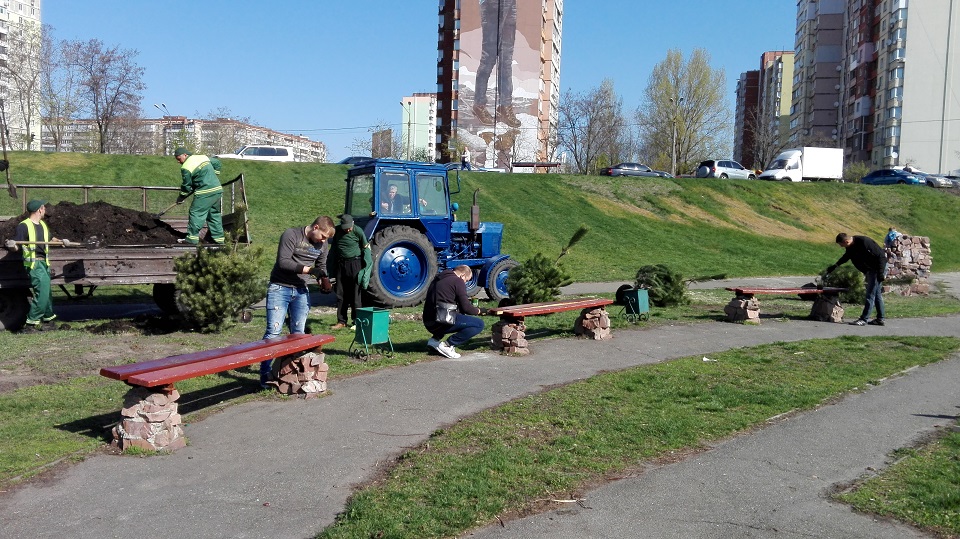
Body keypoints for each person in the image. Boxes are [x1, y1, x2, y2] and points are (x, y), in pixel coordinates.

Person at [259, 215, 335, 387]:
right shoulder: (291, 235)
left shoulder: (323, 244)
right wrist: (310, 270)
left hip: (301, 290)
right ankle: (265, 373)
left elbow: (321, 266)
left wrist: (323, 280)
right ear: (316, 227)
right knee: (273, 332)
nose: (324, 241)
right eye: (323, 236)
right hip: (280, 287)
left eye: (327, 239)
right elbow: (283, 262)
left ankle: (291, 372)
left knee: (298, 334)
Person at [3, 200, 71, 333]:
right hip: (34, 264)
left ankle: (48, 321)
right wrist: (12, 245)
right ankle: (30, 324)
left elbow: (50, 239)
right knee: (42, 293)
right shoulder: (24, 226)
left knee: (47, 293)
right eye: (44, 207)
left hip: (44, 263)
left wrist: (62, 241)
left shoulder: (43, 225)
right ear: (40, 210)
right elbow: (17, 245)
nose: (45, 210)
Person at [472, 0, 521, 128]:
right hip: (492, 3)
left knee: (506, 60)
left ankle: (505, 106)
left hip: (510, 3)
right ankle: (479, 104)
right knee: (489, 57)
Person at [422, 265, 485, 358]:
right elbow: (467, 308)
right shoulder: (458, 281)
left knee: (457, 314)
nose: (465, 282)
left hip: (429, 321)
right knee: (479, 324)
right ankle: (447, 345)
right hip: (441, 321)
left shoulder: (438, 278)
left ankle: (434, 341)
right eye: (467, 280)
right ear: (463, 275)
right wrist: (480, 311)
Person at [826, 232, 887, 326]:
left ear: (846, 241)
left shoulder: (864, 242)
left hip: (876, 269)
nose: (841, 247)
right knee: (877, 295)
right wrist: (835, 265)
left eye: (841, 244)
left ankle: (863, 319)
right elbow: (846, 256)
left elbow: (881, 256)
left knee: (869, 295)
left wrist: (880, 273)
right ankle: (880, 319)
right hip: (870, 270)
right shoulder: (850, 247)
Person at [174, 147, 224, 245]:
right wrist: (214, 175)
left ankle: (192, 239)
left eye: (179, 159)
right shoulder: (202, 157)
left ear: (185, 155)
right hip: (217, 190)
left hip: (205, 193)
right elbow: (217, 163)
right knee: (214, 214)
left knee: (196, 212)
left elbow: (186, 186)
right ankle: (219, 240)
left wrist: (181, 197)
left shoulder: (186, 167)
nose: (179, 162)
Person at [329, 214, 370, 330]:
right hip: (341, 264)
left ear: (352, 224)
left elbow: (365, 247)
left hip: (355, 264)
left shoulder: (358, 231)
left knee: (355, 294)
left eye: (349, 227)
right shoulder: (336, 231)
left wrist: (366, 267)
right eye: (345, 227)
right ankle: (341, 321)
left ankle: (357, 321)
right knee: (340, 293)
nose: (348, 229)